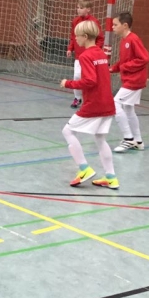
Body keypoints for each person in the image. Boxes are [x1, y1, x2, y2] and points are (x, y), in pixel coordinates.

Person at [60, 19, 117, 189]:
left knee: (67, 131)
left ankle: (84, 168)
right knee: (100, 139)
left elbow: (90, 81)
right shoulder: (101, 54)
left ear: (85, 36)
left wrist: (68, 83)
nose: (75, 39)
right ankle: (111, 177)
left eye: (77, 36)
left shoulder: (85, 56)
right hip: (107, 103)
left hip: (94, 103)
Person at [108, 12, 149, 152]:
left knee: (115, 104)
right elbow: (123, 62)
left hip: (135, 80)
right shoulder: (124, 41)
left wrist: (125, 67)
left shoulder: (133, 39)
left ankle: (128, 138)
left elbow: (144, 58)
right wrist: (111, 69)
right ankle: (138, 141)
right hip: (130, 79)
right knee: (128, 109)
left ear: (125, 25)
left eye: (115, 25)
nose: (113, 27)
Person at [67, 0, 104, 108]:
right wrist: (70, 48)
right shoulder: (75, 21)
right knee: (77, 76)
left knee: (90, 78)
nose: (78, 10)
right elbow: (73, 37)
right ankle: (77, 98)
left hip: (90, 57)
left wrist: (95, 51)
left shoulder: (94, 22)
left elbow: (100, 39)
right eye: (77, 7)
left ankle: (92, 99)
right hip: (79, 56)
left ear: (88, 9)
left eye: (81, 8)